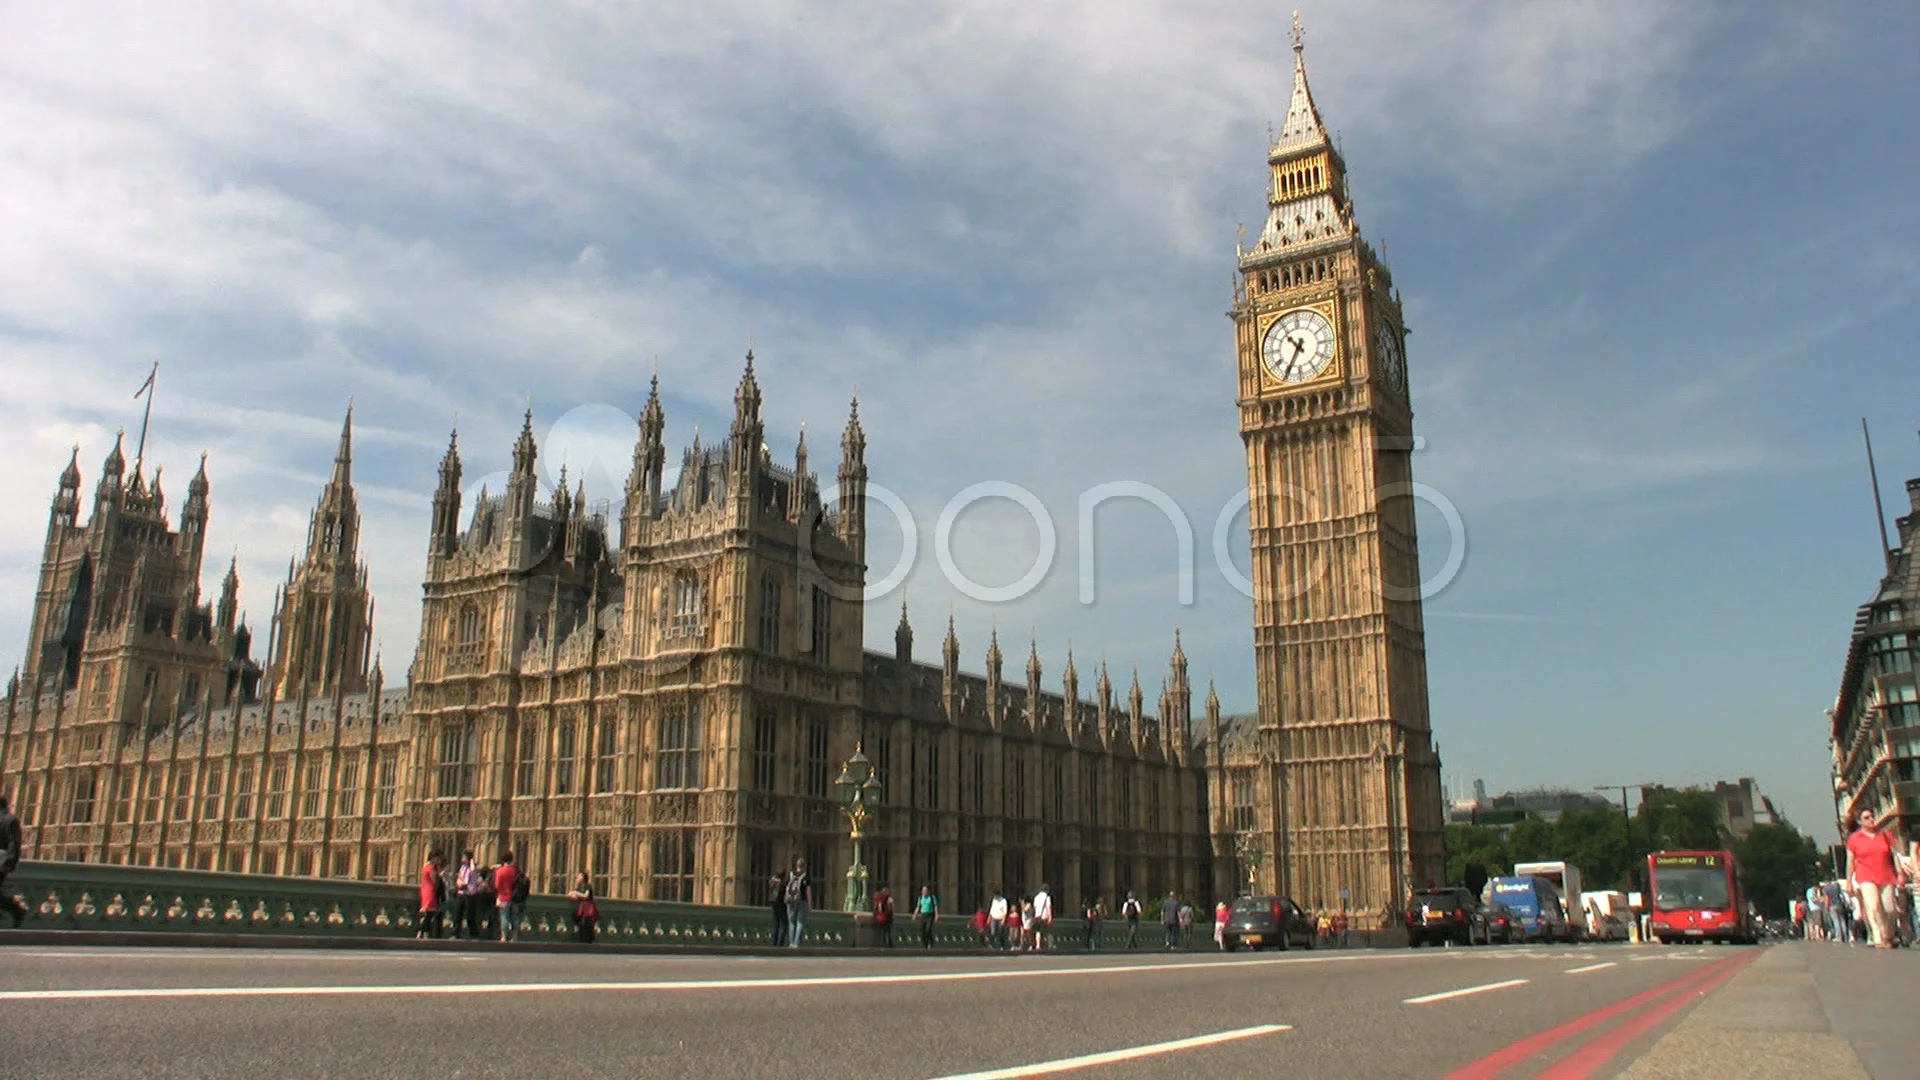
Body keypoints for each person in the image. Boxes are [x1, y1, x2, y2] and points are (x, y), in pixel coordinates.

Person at [1847, 809, 1900, 949]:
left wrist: (1900, 874)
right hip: (1865, 876)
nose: (1871, 819)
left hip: (1886, 874)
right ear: (1860, 821)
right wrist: (1849, 882)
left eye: (1872, 816)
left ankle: (1888, 934)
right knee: (1873, 906)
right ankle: (1878, 936)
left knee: (1890, 908)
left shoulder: (1886, 835)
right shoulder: (1854, 839)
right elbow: (1850, 861)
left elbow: (1895, 855)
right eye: (1866, 817)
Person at [0, 795, 26, 928]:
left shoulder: (10, 820)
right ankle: (16, 911)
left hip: (2, 862)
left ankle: (17, 910)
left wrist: (8, 864)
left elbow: (14, 843)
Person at [492, 851, 522, 943]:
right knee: (514, 917)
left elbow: (497, 885)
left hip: (503, 897)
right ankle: (515, 937)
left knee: (504, 917)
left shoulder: (500, 871)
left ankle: (504, 937)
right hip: (515, 898)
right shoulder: (516, 871)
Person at [416, 850, 446, 939]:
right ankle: (421, 930)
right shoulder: (432, 867)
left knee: (428, 915)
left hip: (425, 890)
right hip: (431, 892)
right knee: (430, 915)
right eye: (438, 858)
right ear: (433, 858)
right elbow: (434, 881)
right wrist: (441, 876)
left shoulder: (425, 866)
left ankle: (424, 933)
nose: (439, 860)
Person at [784, 858, 813, 948]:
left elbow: (786, 888)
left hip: (791, 901)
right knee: (800, 922)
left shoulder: (791, 875)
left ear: (797, 865)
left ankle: (791, 942)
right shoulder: (805, 876)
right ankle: (797, 943)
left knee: (791, 922)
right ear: (804, 866)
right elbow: (808, 892)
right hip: (802, 901)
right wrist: (810, 905)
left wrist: (787, 899)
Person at [567, 870, 598, 944]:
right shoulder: (578, 888)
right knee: (581, 925)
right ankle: (583, 939)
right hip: (581, 909)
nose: (577, 878)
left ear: (583, 878)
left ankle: (588, 940)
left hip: (588, 910)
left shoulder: (588, 886)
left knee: (587, 924)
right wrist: (573, 894)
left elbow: (586, 896)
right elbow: (569, 894)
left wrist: (576, 893)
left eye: (579, 877)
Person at [915, 885, 940, 949]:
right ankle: (925, 944)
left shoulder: (932, 897)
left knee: (928, 929)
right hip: (923, 915)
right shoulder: (920, 898)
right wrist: (915, 914)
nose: (923, 892)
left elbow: (935, 906)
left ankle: (931, 942)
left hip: (930, 915)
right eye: (922, 890)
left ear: (928, 891)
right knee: (922, 930)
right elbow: (918, 906)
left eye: (925, 890)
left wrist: (937, 915)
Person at [769, 869, 789, 947]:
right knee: (784, 925)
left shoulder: (773, 883)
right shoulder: (782, 884)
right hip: (782, 905)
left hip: (774, 904)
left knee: (775, 924)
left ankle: (774, 942)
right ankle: (780, 943)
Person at [1031, 883, 1053, 952]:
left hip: (1037, 916)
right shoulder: (1047, 897)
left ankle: (1038, 945)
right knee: (1047, 931)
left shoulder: (1036, 897)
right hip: (1044, 916)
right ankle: (1049, 945)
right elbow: (1048, 907)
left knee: (1038, 931)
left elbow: (1034, 907)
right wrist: (1050, 917)